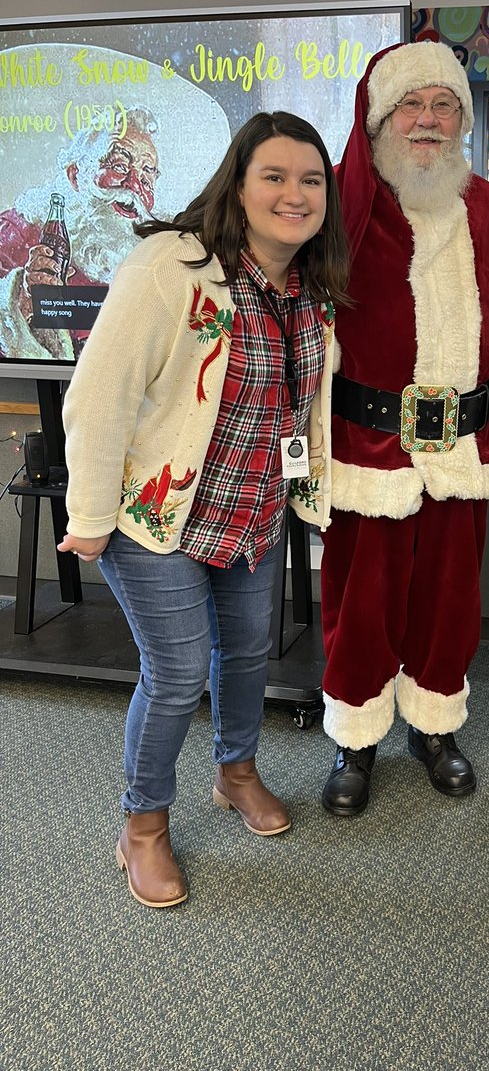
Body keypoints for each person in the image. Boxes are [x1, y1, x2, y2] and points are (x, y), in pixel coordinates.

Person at [58, 111, 350, 906]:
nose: (294, 194)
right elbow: (98, 395)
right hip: (157, 519)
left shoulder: (311, 288)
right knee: (179, 672)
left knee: (248, 654)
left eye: (311, 181)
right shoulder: (173, 265)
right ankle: (143, 825)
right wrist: (89, 516)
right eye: (274, 177)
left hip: (253, 515)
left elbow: (303, 408)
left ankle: (235, 773)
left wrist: (310, 492)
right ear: (238, 185)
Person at [319, 41, 489, 816]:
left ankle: (434, 726)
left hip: (464, 447)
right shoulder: (338, 206)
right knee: (360, 603)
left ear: (463, 122)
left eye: (444, 106)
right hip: (366, 447)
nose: (428, 120)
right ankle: (356, 736)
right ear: (378, 119)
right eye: (411, 105)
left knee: (449, 600)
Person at [0, 108, 161, 360]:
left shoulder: (160, 251)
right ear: (75, 175)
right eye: (119, 166)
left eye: (147, 175)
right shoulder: (17, 232)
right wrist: (21, 303)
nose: (134, 187)